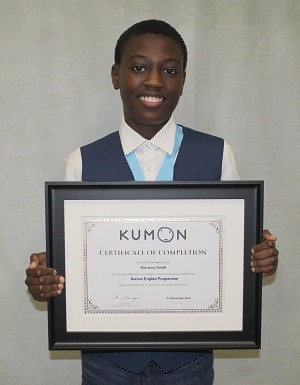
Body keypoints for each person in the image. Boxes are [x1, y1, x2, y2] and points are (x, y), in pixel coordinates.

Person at [25, 19, 279, 385]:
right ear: (116, 75)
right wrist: (46, 278)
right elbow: (73, 261)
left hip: (188, 361)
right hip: (107, 362)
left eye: (170, 70)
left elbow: (234, 253)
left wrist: (260, 259)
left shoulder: (217, 153)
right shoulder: (81, 161)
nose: (155, 81)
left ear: (183, 79)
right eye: (139, 67)